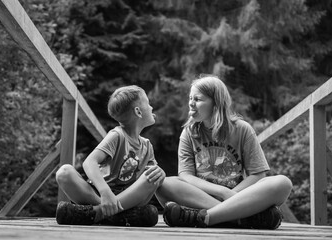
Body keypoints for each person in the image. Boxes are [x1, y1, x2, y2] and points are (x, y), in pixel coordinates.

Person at [155, 75, 293, 229]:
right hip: (200, 197)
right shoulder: (189, 132)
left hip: (237, 195)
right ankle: (242, 217)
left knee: (283, 183)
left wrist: (232, 194)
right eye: (190, 98)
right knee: (163, 183)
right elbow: (186, 176)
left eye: (198, 99)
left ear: (216, 103)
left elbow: (258, 174)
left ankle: (205, 217)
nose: (191, 103)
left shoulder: (242, 129)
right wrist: (222, 192)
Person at [55, 85, 165, 227]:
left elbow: (148, 185)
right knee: (64, 172)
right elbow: (89, 162)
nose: (151, 107)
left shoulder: (147, 145)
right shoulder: (117, 135)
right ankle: (115, 214)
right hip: (100, 193)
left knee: (154, 175)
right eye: (148, 104)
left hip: (127, 197)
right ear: (138, 112)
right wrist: (105, 192)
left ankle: (98, 213)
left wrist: (159, 174)